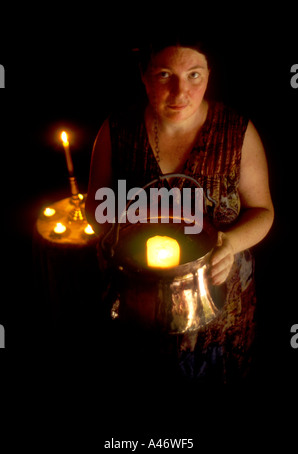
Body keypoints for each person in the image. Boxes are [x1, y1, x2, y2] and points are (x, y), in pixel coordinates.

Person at [85, 33, 274, 383]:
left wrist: (230, 244)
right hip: (135, 302)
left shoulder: (238, 132)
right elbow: (95, 206)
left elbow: (263, 211)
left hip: (220, 306)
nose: (179, 92)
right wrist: (119, 236)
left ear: (209, 74)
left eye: (194, 75)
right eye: (163, 75)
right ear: (143, 74)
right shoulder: (116, 130)